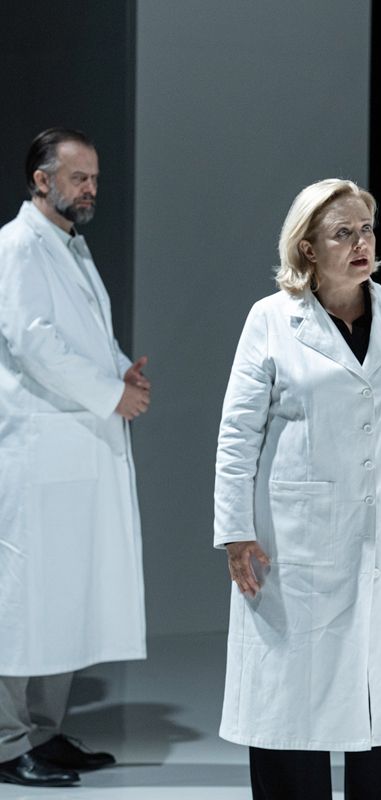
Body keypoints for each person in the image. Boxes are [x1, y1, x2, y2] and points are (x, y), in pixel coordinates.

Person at [214, 179, 381, 800]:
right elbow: (238, 434)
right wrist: (235, 531)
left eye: (366, 229)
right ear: (309, 248)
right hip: (294, 542)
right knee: (292, 701)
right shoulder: (271, 319)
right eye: (343, 233)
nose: (361, 243)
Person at [0, 128, 151, 788]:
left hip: (76, 449)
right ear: (42, 181)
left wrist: (121, 373)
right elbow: (34, 344)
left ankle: (45, 732)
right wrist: (110, 395)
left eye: (94, 178)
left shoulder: (69, 246)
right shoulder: (17, 246)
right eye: (78, 178)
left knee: (63, 594)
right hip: (36, 453)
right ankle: (7, 742)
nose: (91, 189)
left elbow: (88, 339)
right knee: (22, 601)